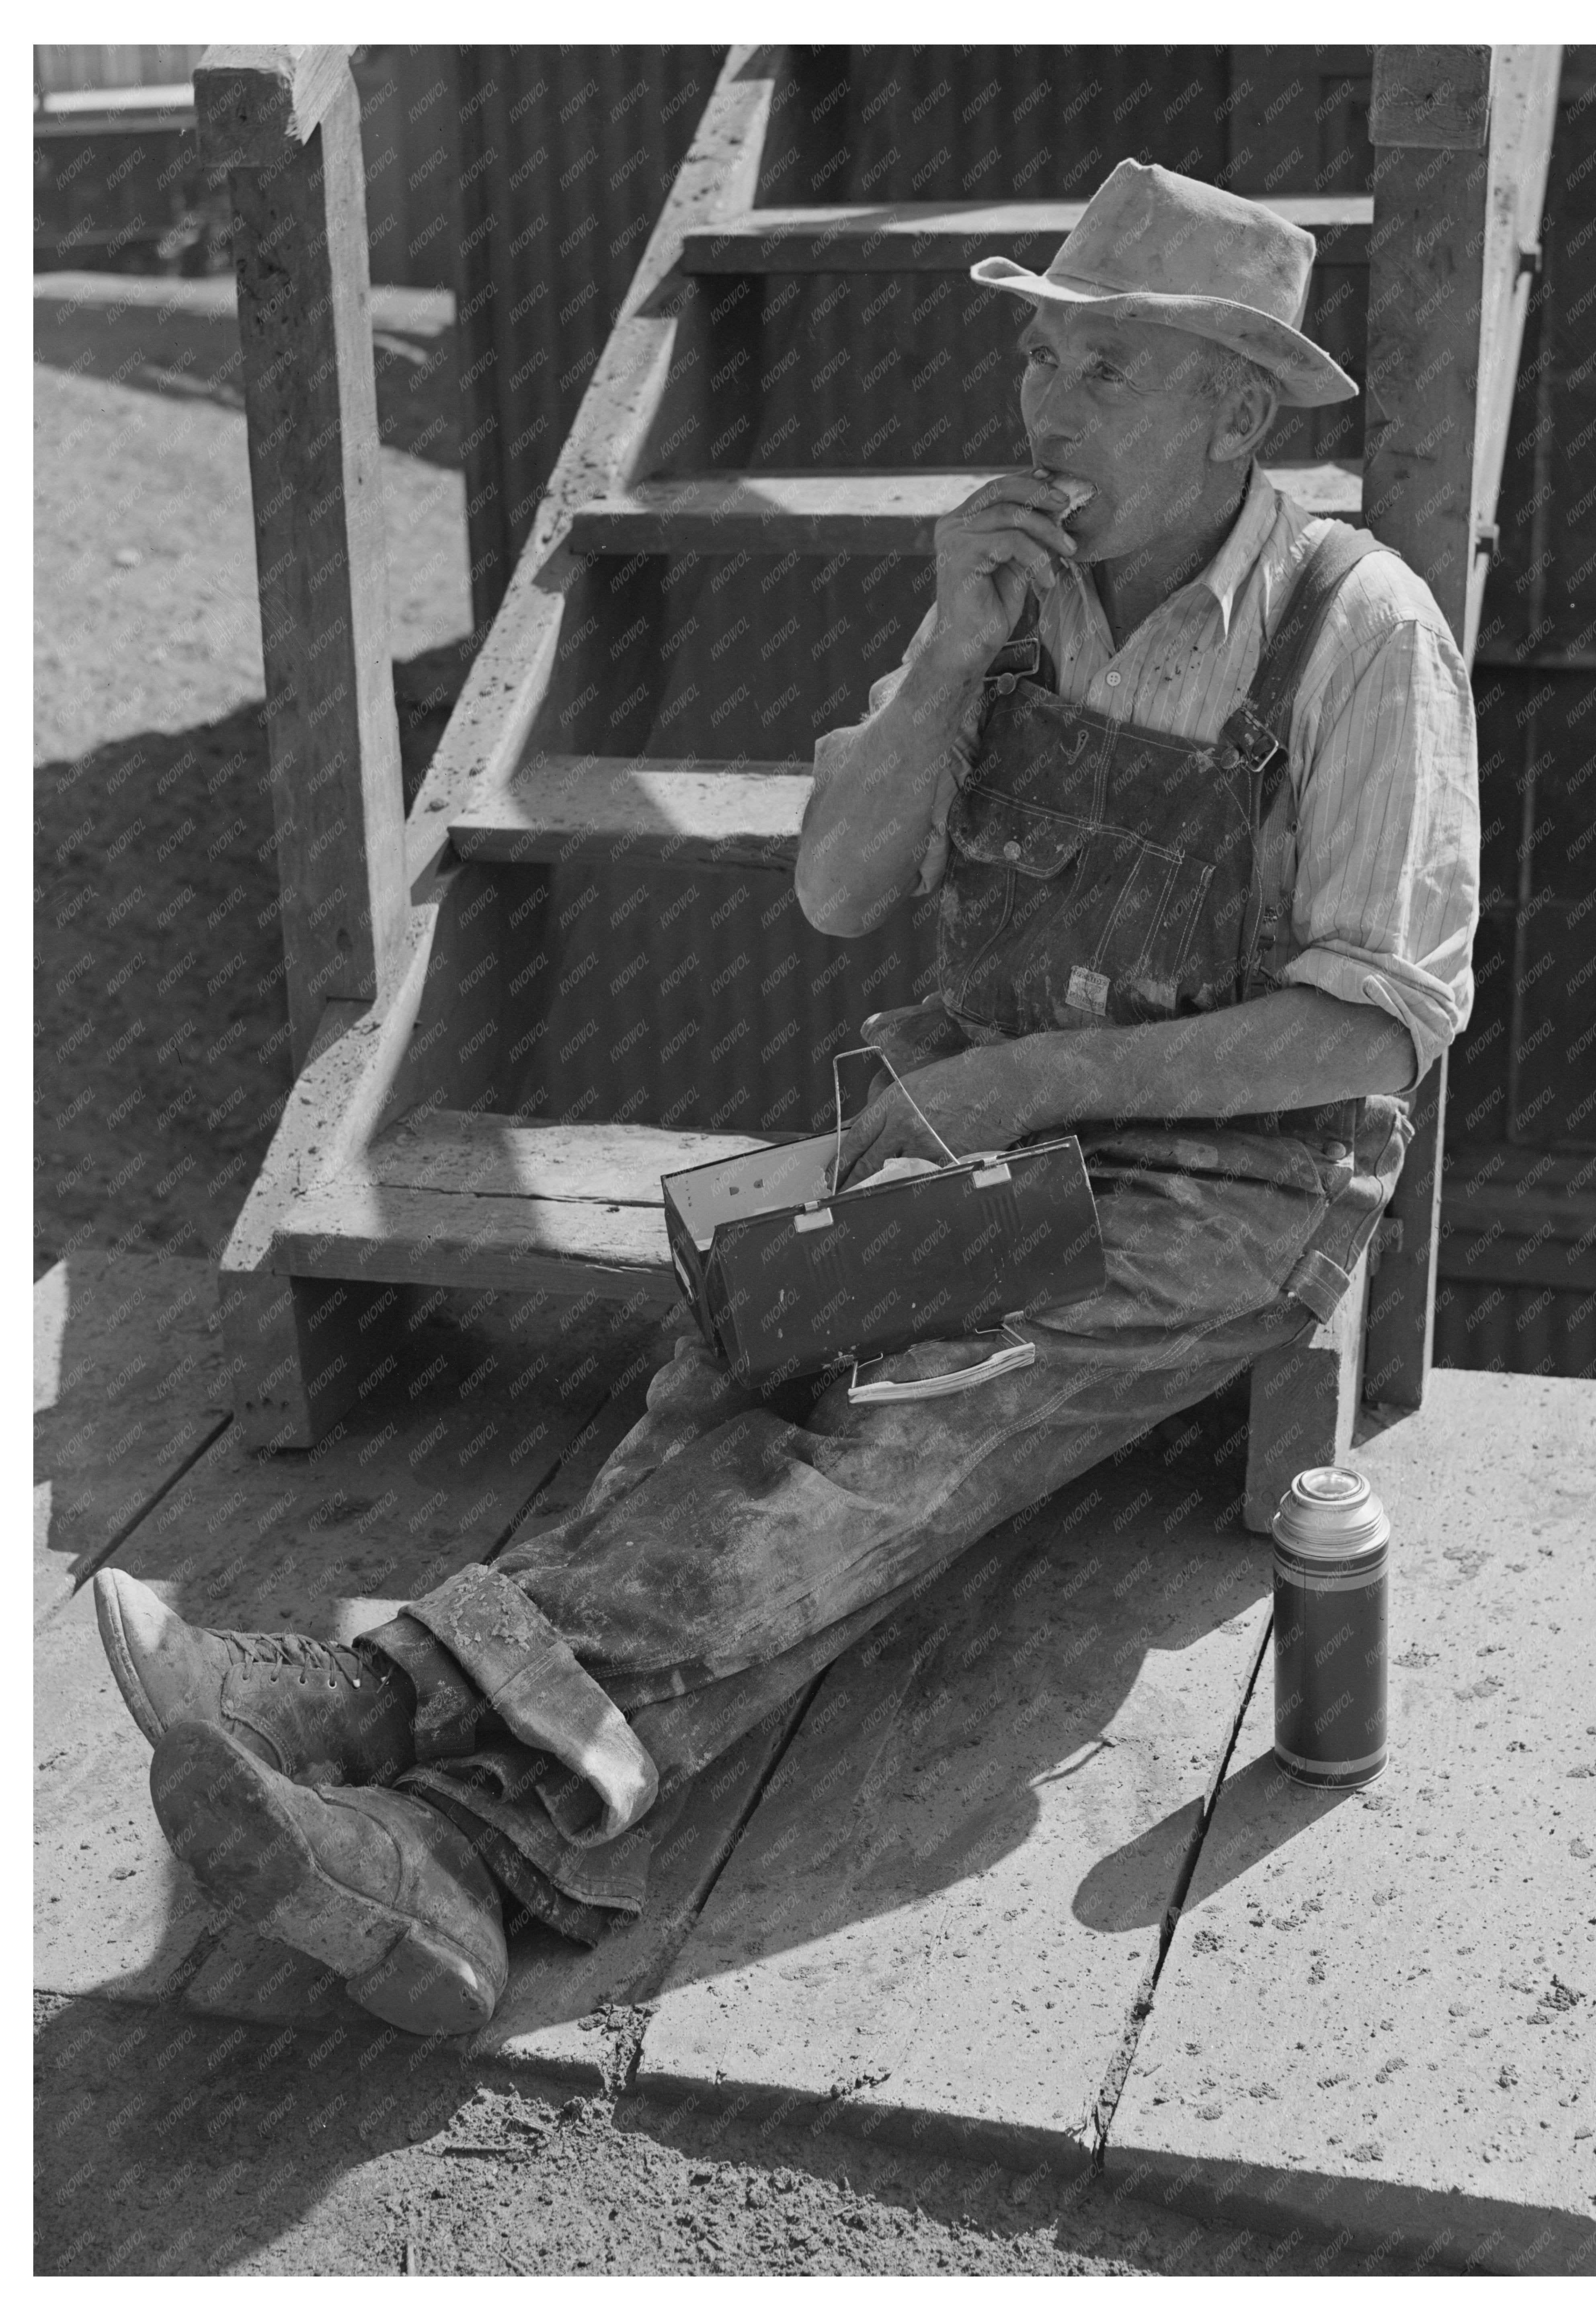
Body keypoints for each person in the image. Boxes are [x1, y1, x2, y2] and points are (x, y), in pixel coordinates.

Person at [96, 159, 1479, 2037]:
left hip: (1228, 1188)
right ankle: (451, 1858)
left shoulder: (1361, 632)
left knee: (898, 1415)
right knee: (734, 1350)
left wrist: (1030, 1084)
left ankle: (385, 1713)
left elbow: (1375, 1032)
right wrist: (946, 655)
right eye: (1042, 362)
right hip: (974, 1120)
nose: (1045, 410)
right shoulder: (1005, 591)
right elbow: (839, 888)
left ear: (1240, 411)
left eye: (1102, 373)